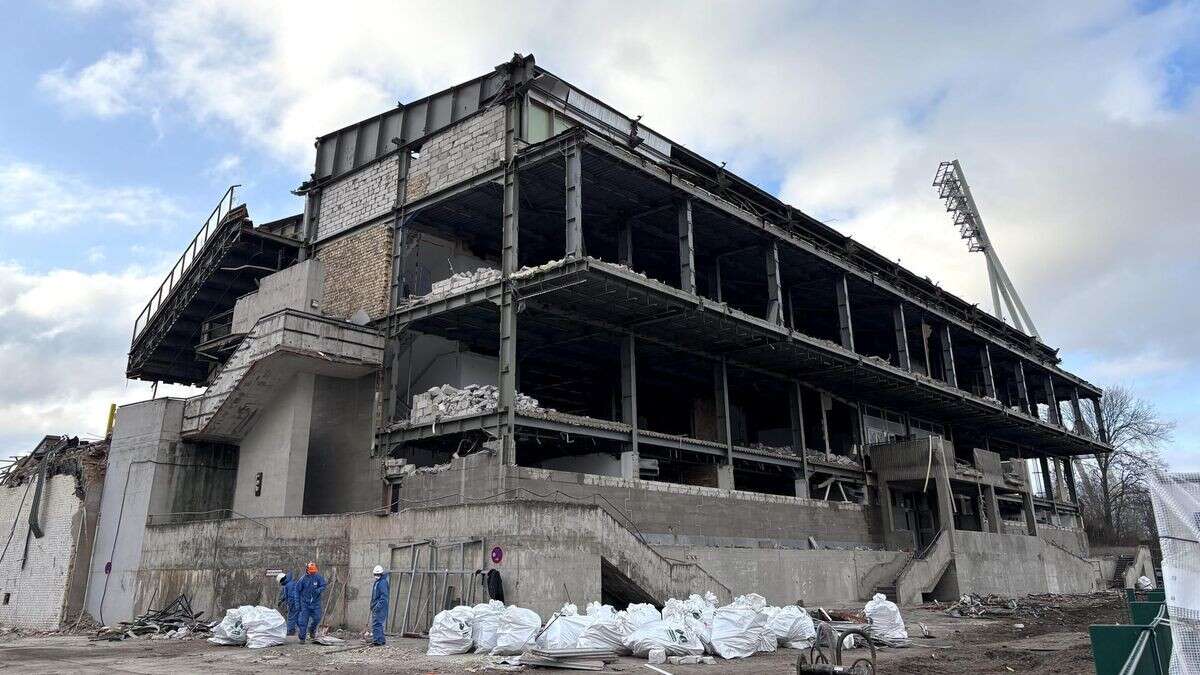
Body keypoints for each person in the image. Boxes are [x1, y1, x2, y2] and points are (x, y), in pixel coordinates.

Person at [296, 561, 327, 643]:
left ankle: (312, 630)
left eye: (314, 571)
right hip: (305, 603)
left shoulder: (318, 577)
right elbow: (297, 591)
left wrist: (319, 590)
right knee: (303, 621)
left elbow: (323, 585)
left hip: (315, 603)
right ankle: (302, 638)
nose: (313, 573)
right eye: (312, 571)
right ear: (307, 570)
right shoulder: (302, 579)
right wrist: (297, 604)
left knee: (317, 618)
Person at [370, 564, 389, 646]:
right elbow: (374, 596)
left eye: (378, 575)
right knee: (378, 623)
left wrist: (377, 606)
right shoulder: (377, 582)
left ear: (381, 574)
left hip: (380, 607)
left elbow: (384, 597)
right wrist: (372, 605)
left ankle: (377, 641)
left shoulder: (382, 583)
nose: (376, 576)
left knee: (377, 623)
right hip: (376, 606)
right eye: (375, 574)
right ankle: (381, 640)